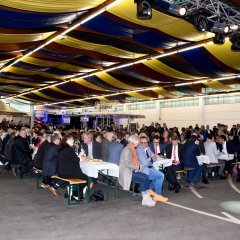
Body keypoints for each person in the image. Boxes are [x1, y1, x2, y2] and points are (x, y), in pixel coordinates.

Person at [119, 134, 156, 207]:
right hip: (127, 172)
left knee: (146, 176)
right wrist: (138, 167)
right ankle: (145, 198)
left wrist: (137, 166)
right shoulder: (127, 150)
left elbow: (132, 161)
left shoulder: (131, 148)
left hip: (131, 170)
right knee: (144, 178)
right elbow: (127, 164)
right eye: (137, 143)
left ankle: (146, 198)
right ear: (133, 142)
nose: (138, 144)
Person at [136, 136, 168, 202]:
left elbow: (155, 158)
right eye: (142, 143)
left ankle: (148, 189)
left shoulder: (148, 148)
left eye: (146, 142)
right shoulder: (139, 150)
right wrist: (151, 159)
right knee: (161, 175)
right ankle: (157, 195)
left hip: (150, 167)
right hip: (143, 170)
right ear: (140, 143)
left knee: (159, 176)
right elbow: (145, 163)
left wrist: (150, 158)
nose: (144, 144)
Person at [57, 134, 88, 200]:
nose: (73, 141)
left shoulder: (61, 148)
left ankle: (72, 192)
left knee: (81, 177)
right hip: (68, 173)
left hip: (61, 172)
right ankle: (76, 195)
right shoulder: (68, 149)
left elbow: (72, 159)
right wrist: (83, 158)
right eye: (71, 140)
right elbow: (77, 160)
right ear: (67, 141)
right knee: (86, 178)